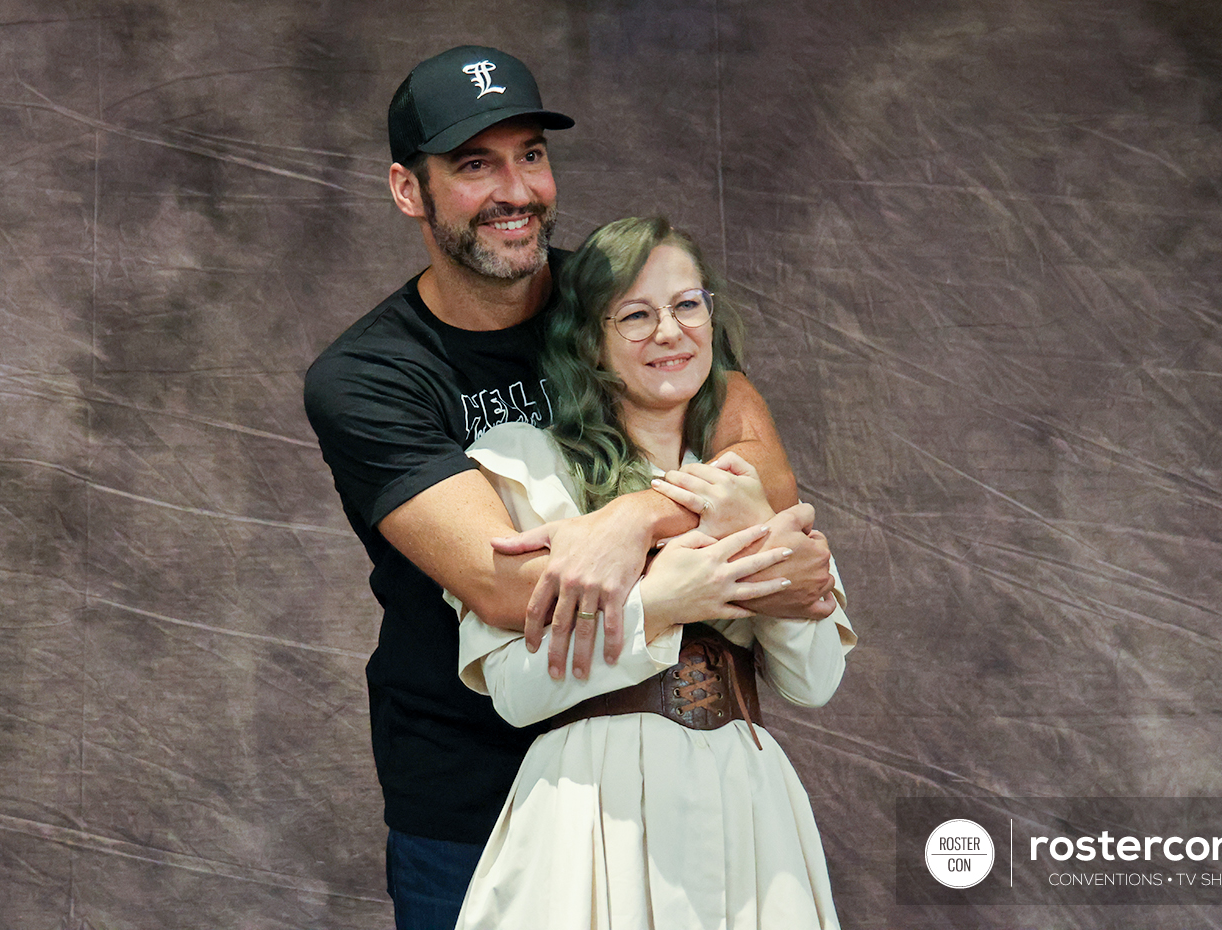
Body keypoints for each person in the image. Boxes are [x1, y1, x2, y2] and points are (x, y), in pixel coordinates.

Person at [303, 46, 835, 928]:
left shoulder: (623, 296)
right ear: (409, 190)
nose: (516, 190)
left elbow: (762, 464)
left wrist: (632, 517)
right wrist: (711, 559)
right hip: (473, 786)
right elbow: (512, 586)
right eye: (475, 165)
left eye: (531, 156)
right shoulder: (369, 377)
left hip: (663, 777)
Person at [449, 216, 855, 929]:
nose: (670, 332)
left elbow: (814, 681)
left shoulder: (747, 476)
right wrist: (660, 604)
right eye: (636, 315)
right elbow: (514, 691)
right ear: (588, 341)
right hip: (591, 809)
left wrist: (762, 551)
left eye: (687, 305)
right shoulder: (522, 463)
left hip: (748, 805)